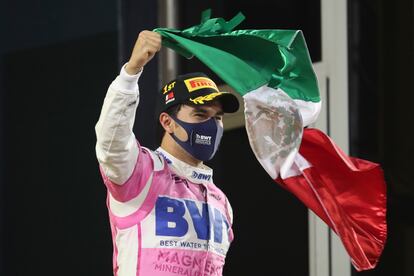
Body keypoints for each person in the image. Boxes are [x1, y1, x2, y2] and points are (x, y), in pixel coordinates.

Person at [95, 30, 240, 276]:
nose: (211, 125)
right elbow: (112, 143)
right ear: (167, 122)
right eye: (200, 115)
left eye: (217, 118)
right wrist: (131, 72)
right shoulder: (141, 173)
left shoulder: (221, 203)